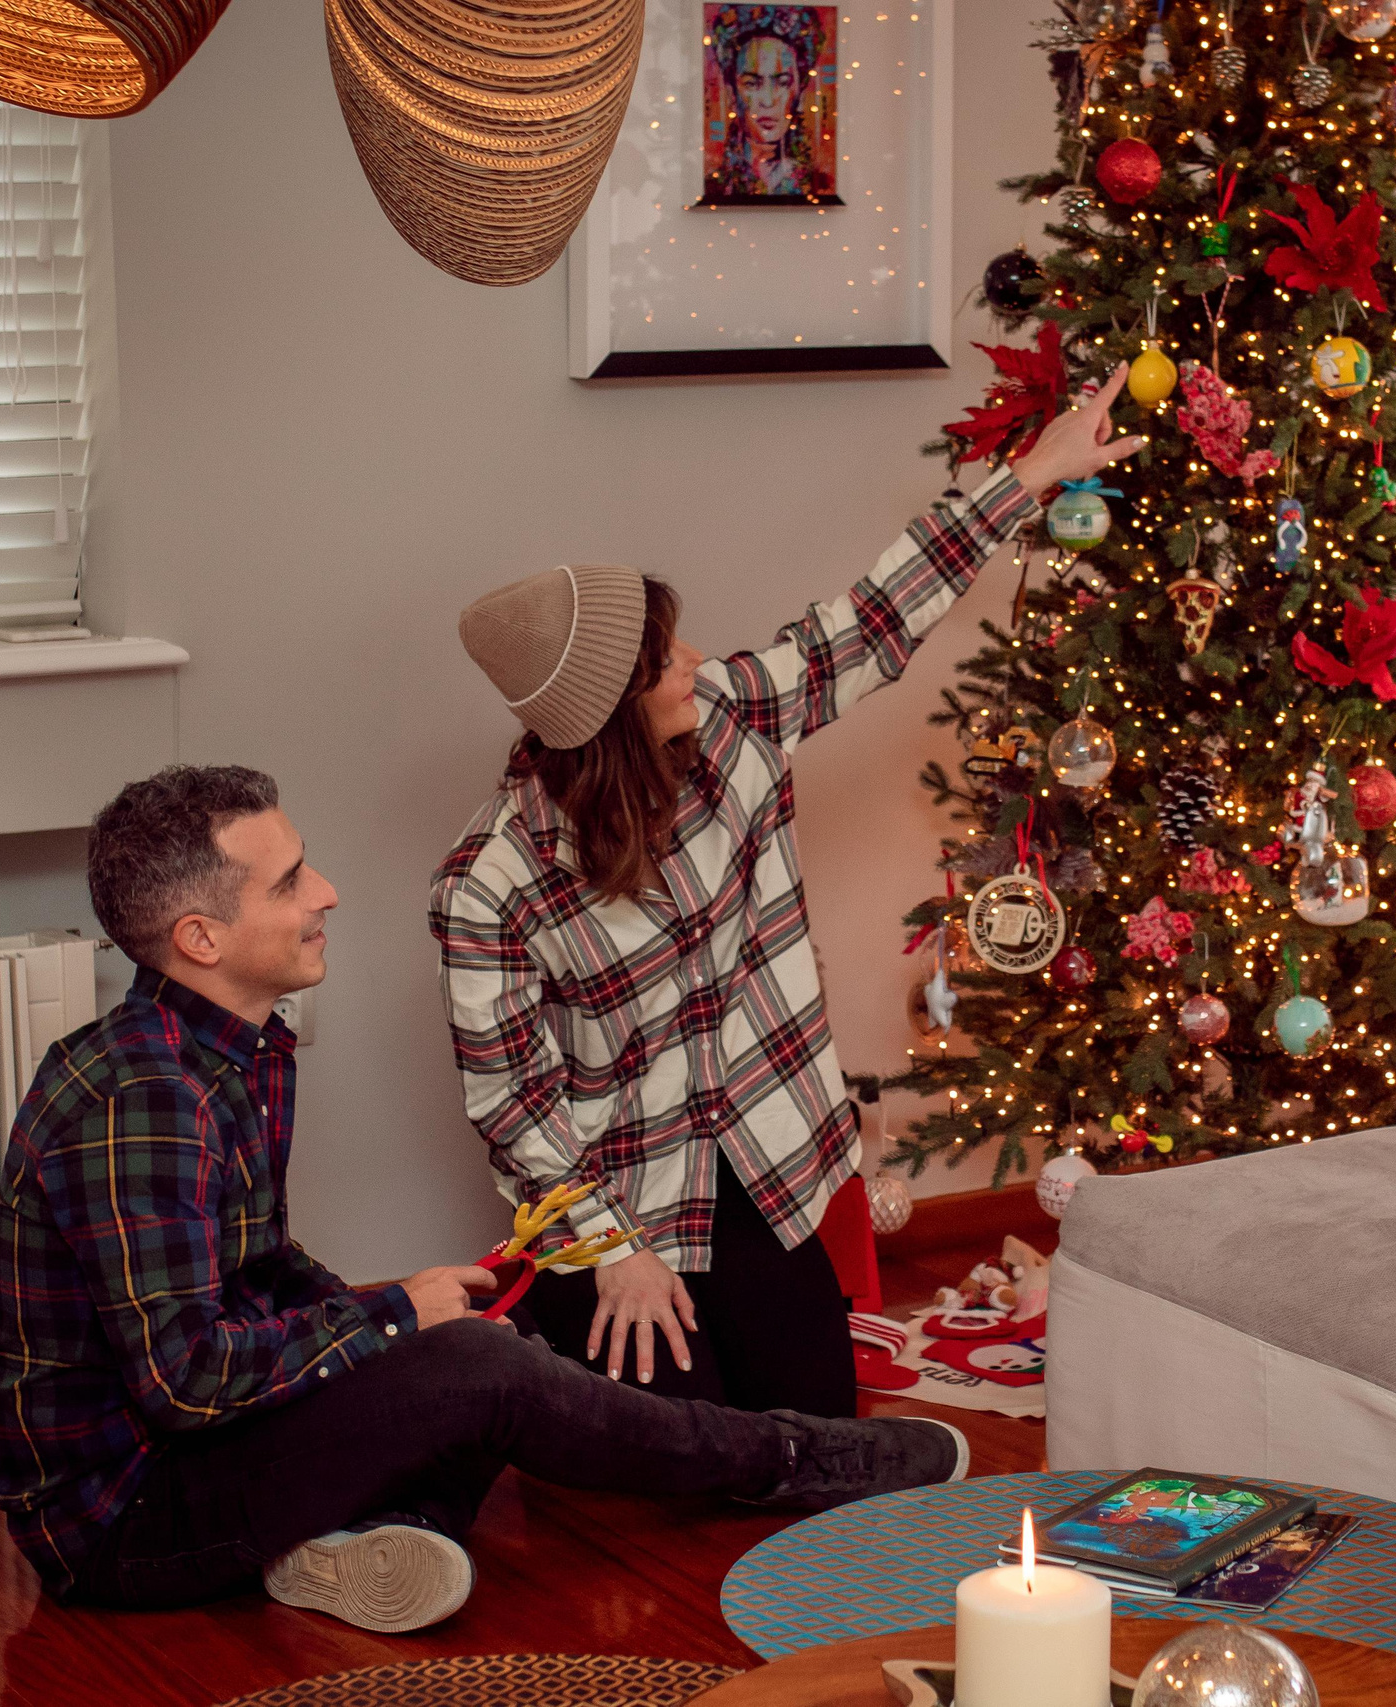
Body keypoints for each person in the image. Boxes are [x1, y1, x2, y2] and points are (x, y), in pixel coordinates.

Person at [0, 765, 967, 1635]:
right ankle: (796, 1458)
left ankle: (371, 1540)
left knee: (492, 1332)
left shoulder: (226, 1050)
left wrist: (399, 1317)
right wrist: (396, 1319)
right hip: (125, 1521)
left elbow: (260, 1267)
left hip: (196, 1460)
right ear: (200, 937)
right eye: (287, 883)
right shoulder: (144, 1100)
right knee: (477, 1370)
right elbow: (186, 1381)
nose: (327, 892)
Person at [434, 371, 1143, 1413]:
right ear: (610, 708)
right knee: (671, 1454)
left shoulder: (734, 717)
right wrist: (613, 1249)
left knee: (808, 1418)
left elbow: (867, 621)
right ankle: (560, 1307)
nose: (696, 661)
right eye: (663, 658)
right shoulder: (490, 885)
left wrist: (1037, 472)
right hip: (625, 1194)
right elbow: (512, 1102)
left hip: (763, 1161)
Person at [706, 7, 830, 201]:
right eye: (752, 83)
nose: (768, 101)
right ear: (732, 94)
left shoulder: (821, 187)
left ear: (800, 93)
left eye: (782, 83)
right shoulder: (715, 189)